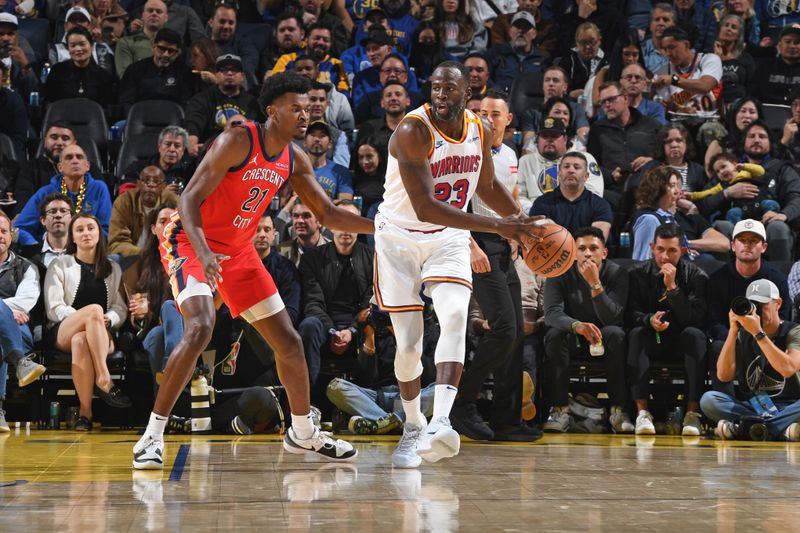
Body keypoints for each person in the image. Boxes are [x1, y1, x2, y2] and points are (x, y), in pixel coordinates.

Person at [131, 72, 374, 469]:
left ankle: (302, 433)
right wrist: (206, 251)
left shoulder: (294, 156)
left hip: (239, 251)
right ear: (272, 110)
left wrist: (379, 225)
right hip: (191, 242)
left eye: (308, 107)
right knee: (199, 327)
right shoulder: (238, 140)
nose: (304, 114)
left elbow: (328, 214)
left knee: (290, 343)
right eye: (295, 108)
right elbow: (189, 198)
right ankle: (151, 436)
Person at [375, 61, 543, 468]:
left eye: (449, 90)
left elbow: (485, 186)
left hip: (448, 237)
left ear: (467, 93)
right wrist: (500, 227)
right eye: (435, 89)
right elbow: (426, 207)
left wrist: (518, 221)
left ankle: (441, 421)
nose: (441, 96)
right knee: (409, 345)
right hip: (399, 238)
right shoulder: (413, 131)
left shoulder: (478, 129)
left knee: (453, 316)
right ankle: (413, 425)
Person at [450, 89, 540, 442]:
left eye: (493, 113)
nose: (486, 118)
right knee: (502, 327)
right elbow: (456, 204)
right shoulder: (468, 152)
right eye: (480, 112)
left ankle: (507, 419)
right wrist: (470, 243)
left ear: (508, 120)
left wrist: (519, 235)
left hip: (504, 245)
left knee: (516, 331)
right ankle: (460, 404)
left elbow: (512, 197)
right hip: (476, 241)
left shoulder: (511, 154)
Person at [44, 214, 131, 432]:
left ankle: (85, 414)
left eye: (90, 228)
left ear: (99, 233)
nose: (86, 233)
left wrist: (109, 319)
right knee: (93, 310)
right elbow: (54, 308)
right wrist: (85, 316)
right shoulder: (60, 264)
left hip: (101, 331)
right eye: (80, 229)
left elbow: (120, 309)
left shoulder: (113, 268)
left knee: (81, 341)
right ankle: (104, 378)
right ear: (72, 237)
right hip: (63, 328)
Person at [542, 226, 632, 434]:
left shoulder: (618, 273)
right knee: (554, 335)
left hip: (605, 339)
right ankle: (559, 409)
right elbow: (552, 314)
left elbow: (614, 317)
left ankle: (618, 409)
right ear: (574, 253)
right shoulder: (559, 272)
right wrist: (577, 326)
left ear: (604, 252)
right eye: (581, 248)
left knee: (616, 334)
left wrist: (595, 284)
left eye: (593, 248)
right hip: (574, 336)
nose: (588, 253)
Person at [626, 223, 708, 435]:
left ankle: (692, 415)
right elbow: (629, 314)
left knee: (696, 336)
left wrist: (672, 288)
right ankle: (642, 413)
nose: (665, 256)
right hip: (650, 338)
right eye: (660, 249)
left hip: (681, 339)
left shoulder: (697, 275)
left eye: (672, 250)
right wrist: (648, 320)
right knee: (635, 334)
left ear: (682, 250)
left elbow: (694, 320)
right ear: (652, 247)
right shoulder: (636, 273)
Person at [701, 279, 800, 441]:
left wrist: (759, 334)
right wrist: (733, 331)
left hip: (791, 405)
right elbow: (724, 375)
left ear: (778, 304)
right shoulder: (744, 334)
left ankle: (746, 429)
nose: (758, 311)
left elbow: (787, 369)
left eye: (763, 304)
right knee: (709, 400)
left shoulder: (794, 331)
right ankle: (779, 430)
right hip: (756, 407)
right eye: (754, 305)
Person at [707, 219, 792, 390]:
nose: (747, 245)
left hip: (767, 340)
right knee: (717, 346)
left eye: (753, 241)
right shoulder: (717, 279)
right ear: (733, 245)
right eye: (742, 240)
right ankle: (727, 409)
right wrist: (738, 338)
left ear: (764, 247)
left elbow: (783, 319)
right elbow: (713, 321)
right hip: (731, 340)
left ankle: (777, 404)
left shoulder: (777, 280)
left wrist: (758, 336)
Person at [297, 200, 373, 386]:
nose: (346, 227)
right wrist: (332, 331)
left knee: (376, 324)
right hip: (324, 326)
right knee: (308, 325)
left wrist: (351, 330)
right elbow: (312, 302)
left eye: (352, 220)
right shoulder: (311, 259)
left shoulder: (374, 257)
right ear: (330, 225)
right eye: (341, 220)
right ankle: (306, 402)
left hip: (360, 324)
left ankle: (373, 397)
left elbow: (370, 301)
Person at [708, 121, 800, 262]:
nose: (757, 139)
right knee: (721, 226)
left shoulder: (782, 169)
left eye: (762, 137)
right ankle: (727, 281)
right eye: (752, 136)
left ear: (770, 143)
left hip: (770, 224)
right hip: (735, 224)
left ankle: (781, 280)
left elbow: (796, 196)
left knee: (778, 227)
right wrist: (728, 192)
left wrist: (784, 214)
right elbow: (705, 203)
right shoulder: (728, 170)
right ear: (743, 142)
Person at [122, 203, 180, 386]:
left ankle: (161, 409)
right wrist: (139, 316)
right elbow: (139, 321)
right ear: (153, 229)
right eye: (163, 221)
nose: (169, 225)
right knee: (157, 334)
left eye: (174, 221)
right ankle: (172, 368)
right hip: (151, 330)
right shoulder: (139, 267)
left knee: (170, 311)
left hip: (186, 332)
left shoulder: (191, 260)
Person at [14, 144, 113, 247]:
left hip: (89, 250)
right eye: (69, 157)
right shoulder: (45, 192)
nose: (75, 161)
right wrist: (37, 248)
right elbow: (20, 228)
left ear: (87, 166)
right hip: (50, 252)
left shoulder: (99, 188)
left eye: (79, 157)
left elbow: (107, 229)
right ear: (60, 167)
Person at [0, 211, 45, 430]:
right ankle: (21, 363)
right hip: (11, 332)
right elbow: (14, 305)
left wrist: (3, 311)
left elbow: (26, 301)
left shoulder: (26, 266)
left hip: (19, 331)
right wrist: (7, 310)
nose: (0, 235)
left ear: (12, 235)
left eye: (4, 231)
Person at [586, 81, 661, 211]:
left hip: (646, 189)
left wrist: (651, 161)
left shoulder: (651, 125)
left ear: (625, 98)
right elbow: (591, 165)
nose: (607, 105)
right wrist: (611, 176)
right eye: (603, 102)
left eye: (611, 99)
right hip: (613, 192)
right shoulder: (597, 129)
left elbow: (665, 158)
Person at [630, 166, 729, 261]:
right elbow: (642, 260)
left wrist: (683, 253)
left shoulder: (668, 216)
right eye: (673, 186)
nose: (678, 191)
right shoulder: (649, 219)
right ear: (657, 188)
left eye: (678, 186)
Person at [517, 117, 603, 213]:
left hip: (577, 215)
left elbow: (595, 193)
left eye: (554, 136)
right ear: (537, 140)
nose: (549, 140)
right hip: (536, 218)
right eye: (544, 136)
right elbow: (519, 195)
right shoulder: (525, 161)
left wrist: (565, 212)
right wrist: (537, 212)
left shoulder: (584, 159)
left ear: (565, 139)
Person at [184, 54, 262, 157]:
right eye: (224, 70)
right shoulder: (202, 99)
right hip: (210, 152)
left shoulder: (252, 103)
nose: (229, 73)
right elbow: (193, 125)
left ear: (242, 76)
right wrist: (192, 146)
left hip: (244, 154)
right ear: (216, 75)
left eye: (234, 70)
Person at [530, 151, 613, 240]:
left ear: (586, 176)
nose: (571, 170)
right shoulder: (541, 203)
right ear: (559, 174)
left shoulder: (600, 205)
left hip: (585, 253)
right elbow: (536, 240)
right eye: (566, 167)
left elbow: (595, 243)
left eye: (576, 167)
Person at [118, 28, 196, 117]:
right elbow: (126, 102)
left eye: (171, 51)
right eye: (162, 49)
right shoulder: (135, 69)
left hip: (172, 121)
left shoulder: (184, 73)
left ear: (178, 53)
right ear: (153, 47)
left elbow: (185, 103)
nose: (165, 54)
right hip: (139, 120)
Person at [651, 26, 723, 122]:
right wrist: (679, 109)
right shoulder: (663, 72)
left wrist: (674, 80)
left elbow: (705, 86)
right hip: (680, 125)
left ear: (686, 44)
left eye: (671, 47)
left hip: (710, 122)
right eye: (665, 49)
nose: (668, 54)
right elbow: (665, 106)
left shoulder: (709, 60)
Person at [108, 166, 179, 258]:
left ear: (163, 186)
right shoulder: (124, 201)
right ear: (138, 183)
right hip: (132, 255)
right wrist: (143, 254)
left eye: (156, 181)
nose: (150, 185)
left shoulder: (173, 202)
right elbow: (117, 242)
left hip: (163, 255)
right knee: (114, 258)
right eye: (146, 180)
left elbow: (179, 237)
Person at [487, 11, 550, 92]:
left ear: (534, 34)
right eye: (517, 26)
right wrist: (496, 92)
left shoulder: (543, 58)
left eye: (526, 27)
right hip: (500, 100)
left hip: (531, 102)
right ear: (510, 31)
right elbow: (485, 78)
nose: (521, 30)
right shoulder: (495, 53)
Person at [121, 126, 194, 192]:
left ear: (183, 150)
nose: (172, 149)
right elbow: (126, 195)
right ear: (159, 146)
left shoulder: (190, 171)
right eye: (167, 144)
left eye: (177, 146)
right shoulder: (137, 168)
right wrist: (159, 193)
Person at [206, 2, 258, 84]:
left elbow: (248, 68)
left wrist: (219, 79)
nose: (226, 26)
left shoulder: (244, 43)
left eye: (231, 23)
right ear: (211, 22)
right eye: (222, 21)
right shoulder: (201, 46)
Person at [114, 0, 168, 78]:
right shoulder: (126, 42)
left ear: (166, 18)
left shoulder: (173, 44)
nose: (154, 13)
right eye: (150, 10)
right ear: (142, 15)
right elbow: (125, 76)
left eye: (159, 12)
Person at [18, 193, 73, 268]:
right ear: (43, 220)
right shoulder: (26, 255)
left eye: (63, 211)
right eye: (52, 211)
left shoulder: (82, 252)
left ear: (72, 219)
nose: (58, 215)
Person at [749, 25, 800, 106]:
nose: (792, 46)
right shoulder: (763, 67)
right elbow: (752, 95)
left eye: (797, 42)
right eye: (788, 41)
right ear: (779, 45)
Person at [303, 121, 353, 201]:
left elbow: (345, 203)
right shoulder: (294, 168)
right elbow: (284, 201)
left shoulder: (340, 172)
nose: (317, 139)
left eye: (322, 136)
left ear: (330, 144)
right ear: (304, 142)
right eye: (313, 135)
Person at [277, 199, 331, 265]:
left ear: (319, 221)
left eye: (306, 216)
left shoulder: (334, 251)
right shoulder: (281, 252)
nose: (300, 221)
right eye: (296, 216)